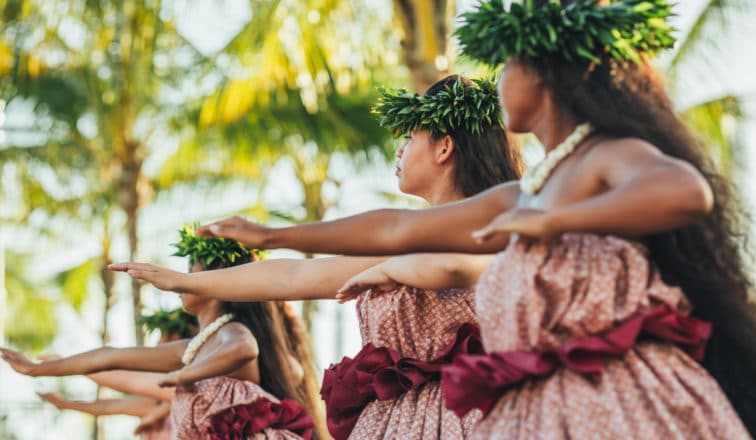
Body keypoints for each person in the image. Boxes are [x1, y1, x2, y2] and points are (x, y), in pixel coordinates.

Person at [183, 1, 756, 438]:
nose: (500, 79)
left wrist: (554, 221)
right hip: (536, 407)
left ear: (545, 71)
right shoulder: (524, 194)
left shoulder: (601, 156)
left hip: (612, 399)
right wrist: (271, 236)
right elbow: (392, 229)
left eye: (509, 64)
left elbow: (681, 189)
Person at [110, 75, 524, 440]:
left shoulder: (491, 228)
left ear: (444, 147)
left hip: (469, 417)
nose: (399, 151)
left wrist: (277, 236)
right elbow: (294, 277)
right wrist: (185, 282)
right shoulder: (403, 245)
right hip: (394, 423)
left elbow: (422, 248)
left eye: (409, 137)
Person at [2, 229, 325, 439]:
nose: (183, 283)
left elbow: (243, 350)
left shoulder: (232, 330)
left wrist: (188, 374)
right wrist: (38, 369)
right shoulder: (194, 345)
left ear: (216, 284)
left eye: (191, 273)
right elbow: (110, 356)